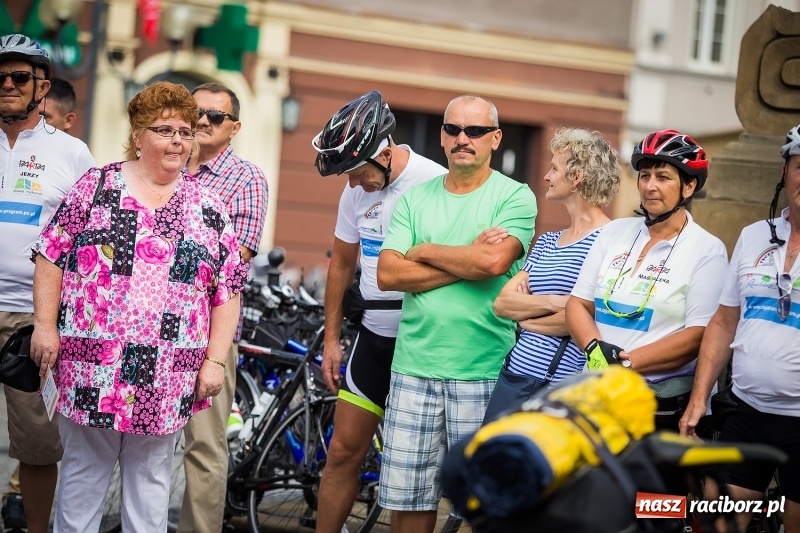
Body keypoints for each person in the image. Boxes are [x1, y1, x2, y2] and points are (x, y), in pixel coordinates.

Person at [30, 81, 247, 531]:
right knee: (82, 477)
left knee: (150, 485)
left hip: (168, 372)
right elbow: (52, 254)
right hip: (93, 364)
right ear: (138, 134)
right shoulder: (98, 185)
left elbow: (227, 290)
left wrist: (214, 361)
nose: (178, 141)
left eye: (186, 131)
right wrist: (44, 327)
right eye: (165, 129)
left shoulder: (208, 207)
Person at [376, 94, 537, 533]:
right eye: (453, 129)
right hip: (413, 369)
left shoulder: (516, 197)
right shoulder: (416, 198)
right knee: (408, 502)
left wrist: (425, 251)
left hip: (484, 371)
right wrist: (468, 260)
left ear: (495, 138)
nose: (462, 139)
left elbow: (493, 264)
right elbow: (388, 274)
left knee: (485, 506)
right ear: (443, 137)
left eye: (475, 131)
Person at [311, 91, 446, 533]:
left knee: (412, 473)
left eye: (356, 173)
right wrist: (332, 339)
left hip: (421, 341)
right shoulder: (357, 192)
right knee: (342, 454)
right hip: (372, 338)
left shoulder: (435, 183)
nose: (351, 185)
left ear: (384, 153)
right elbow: (342, 265)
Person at [679, 125, 800, 533]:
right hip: (747, 410)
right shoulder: (753, 237)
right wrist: (699, 400)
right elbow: (724, 321)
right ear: (785, 173)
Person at [565, 129, 729, 430]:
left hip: (658, 404)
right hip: (598, 394)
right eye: (644, 176)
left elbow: (698, 335)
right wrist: (594, 349)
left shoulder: (707, 250)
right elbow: (578, 303)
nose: (650, 186)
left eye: (663, 177)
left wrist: (625, 362)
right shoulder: (614, 232)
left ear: (689, 186)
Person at [0, 34, 94, 533]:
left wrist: (59, 320)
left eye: (19, 77)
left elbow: (91, 239)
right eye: (0, 78)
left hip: (33, 320)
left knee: (37, 445)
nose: (8, 85)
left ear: (42, 86)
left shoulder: (74, 154)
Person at [177, 82, 268, 533]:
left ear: (234, 127)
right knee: (140, 442)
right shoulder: (165, 166)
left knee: (205, 446)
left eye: (215, 116)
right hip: (150, 328)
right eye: (195, 112)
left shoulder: (247, 179)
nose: (201, 122)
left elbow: (235, 261)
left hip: (210, 332)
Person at [482, 127, 620, 423]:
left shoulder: (612, 240)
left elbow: (589, 318)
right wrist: (558, 302)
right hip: (513, 375)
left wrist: (531, 315)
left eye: (554, 168)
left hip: (560, 386)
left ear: (577, 177)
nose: (546, 176)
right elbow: (503, 304)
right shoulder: (547, 240)